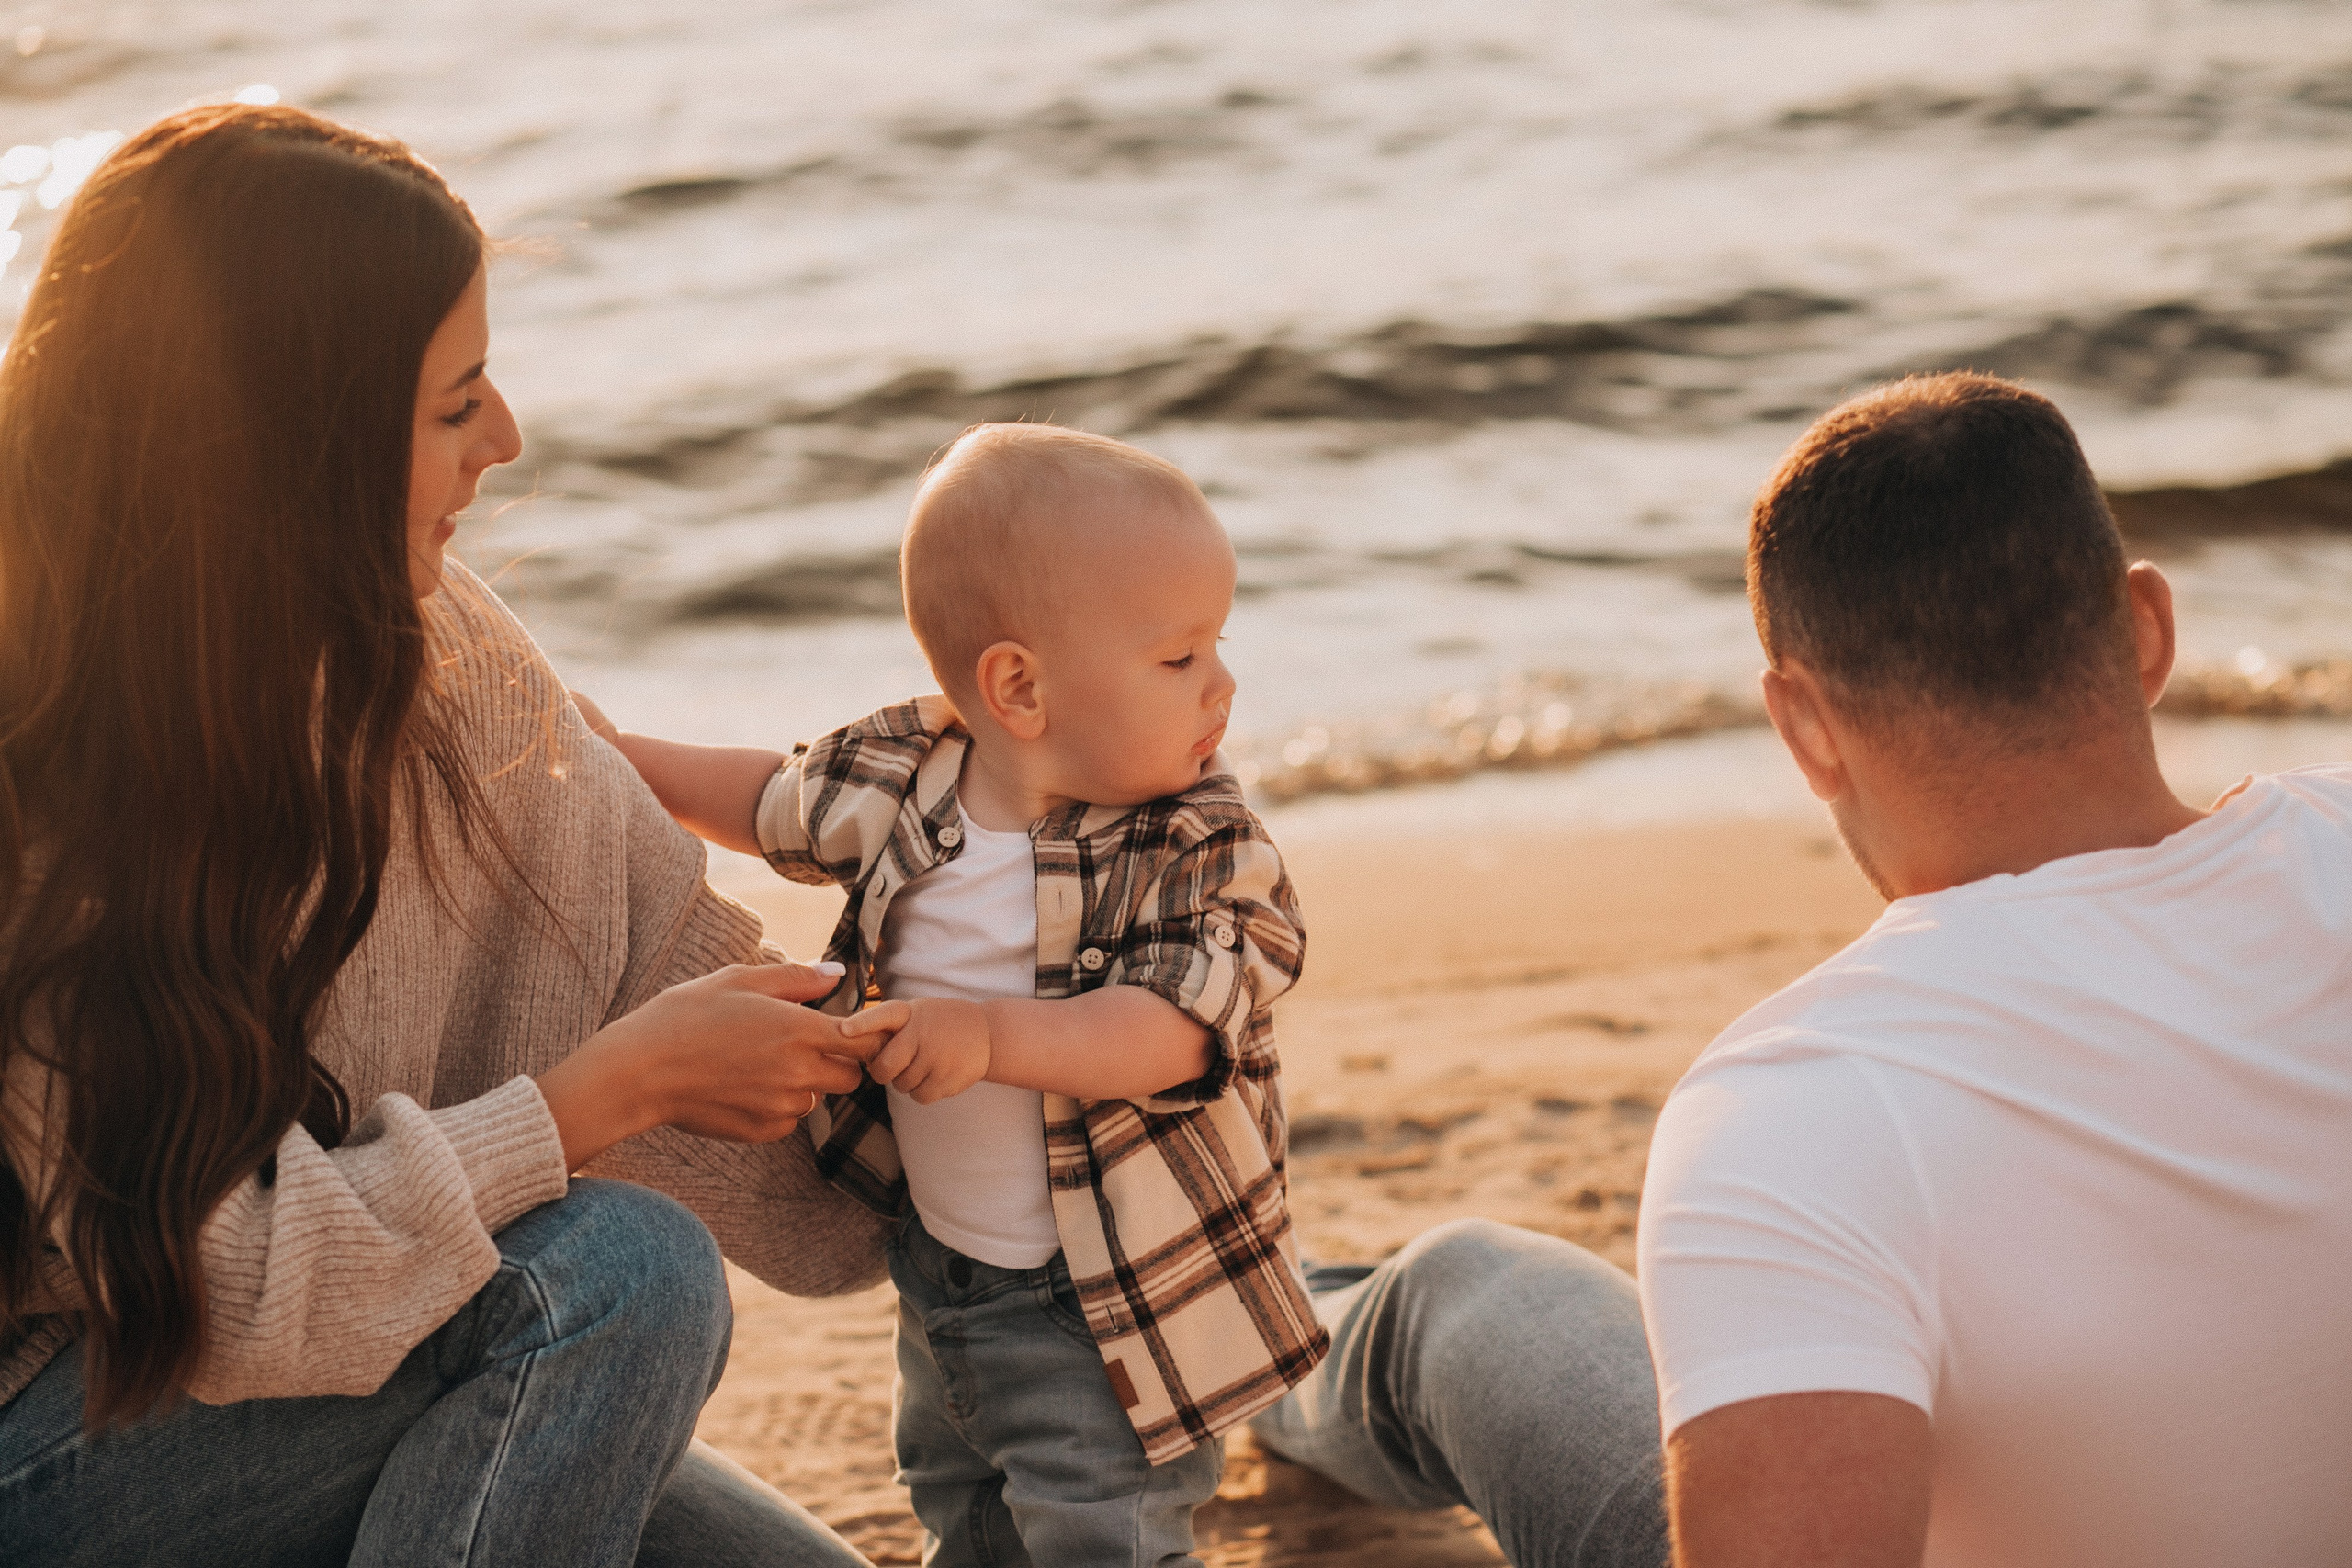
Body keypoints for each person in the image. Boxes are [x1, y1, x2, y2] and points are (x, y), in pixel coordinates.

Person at [0, 104, 899, 1566]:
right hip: (69, 1432)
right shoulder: (38, 770)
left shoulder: (449, 661)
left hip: (364, 1370)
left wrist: (981, 1072)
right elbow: (219, 1298)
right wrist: (587, 1102)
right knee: (619, 1274)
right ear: (292, 441)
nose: (508, 438)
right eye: (453, 400)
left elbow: (673, 976)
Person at [1636, 372, 2352, 1565]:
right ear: (2147, 630)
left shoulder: (1792, 1105)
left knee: (1480, 1306)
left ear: (1803, 724)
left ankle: (1343, 1349)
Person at [580, 423, 1321, 1567]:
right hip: (942, 1271)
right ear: (1015, 687)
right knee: (958, 1490)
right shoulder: (908, 775)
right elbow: (768, 799)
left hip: (1106, 1305)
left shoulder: (1197, 844)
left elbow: (1172, 1034)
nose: (1221, 684)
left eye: (1216, 644)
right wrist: (626, 759)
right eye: (1178, 658)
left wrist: (987, 1035)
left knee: (1101, 1529)